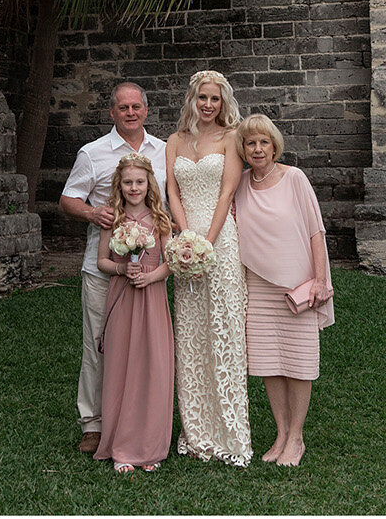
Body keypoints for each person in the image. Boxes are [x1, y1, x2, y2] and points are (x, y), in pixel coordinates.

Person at [60, 81, 171, 455]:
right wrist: (93, 212)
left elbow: (171, 204)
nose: (130, 112)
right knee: (99, 345)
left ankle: (140, 419)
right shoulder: (93, 153)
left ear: (146, 109)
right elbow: (67, 199)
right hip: (103, 268)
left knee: (145, 347)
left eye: (136, 106)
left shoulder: (164, 151)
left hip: (151, 270)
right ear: (112, 113)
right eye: (123, 107)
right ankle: (93, 423)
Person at [232, 113, 335, 466]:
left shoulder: (295, 178)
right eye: (250, 143)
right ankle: (280, 433)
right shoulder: (240, 183)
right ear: (243, 149)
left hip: (296, 286)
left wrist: (320, 281)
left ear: (275, 146)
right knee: (269, 363)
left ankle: (297, 437)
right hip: (256, 286)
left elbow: (315, 232)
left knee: (298, 362)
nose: (258, 148)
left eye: (264, 142)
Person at [164, 70, 252, 466]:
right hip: (186, 242)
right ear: (192, 99)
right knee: (192, 336)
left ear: (223, 102)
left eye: (215, 99)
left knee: (223, 333)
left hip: (221, 239)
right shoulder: (175, 141)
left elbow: (228, 191)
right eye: (203, 97)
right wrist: (186, 240)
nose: (208, 105)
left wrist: (206, 244)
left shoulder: (231, 138)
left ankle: (232, 436)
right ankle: (196, 432)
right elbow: (171, 191)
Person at [93, 154, 176, 473]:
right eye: (128, 182)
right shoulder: (112, 218)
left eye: (139, 181)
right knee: (122, 368)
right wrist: (122, 268)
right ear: (119, 184)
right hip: (123, 297)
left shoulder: (161, 219)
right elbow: (102, 260)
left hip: (152, 297)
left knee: (152, 368)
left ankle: (150, 447)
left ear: (149, 183)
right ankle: (123, 448)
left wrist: (151, 276)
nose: (134, 187)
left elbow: (171, 263)